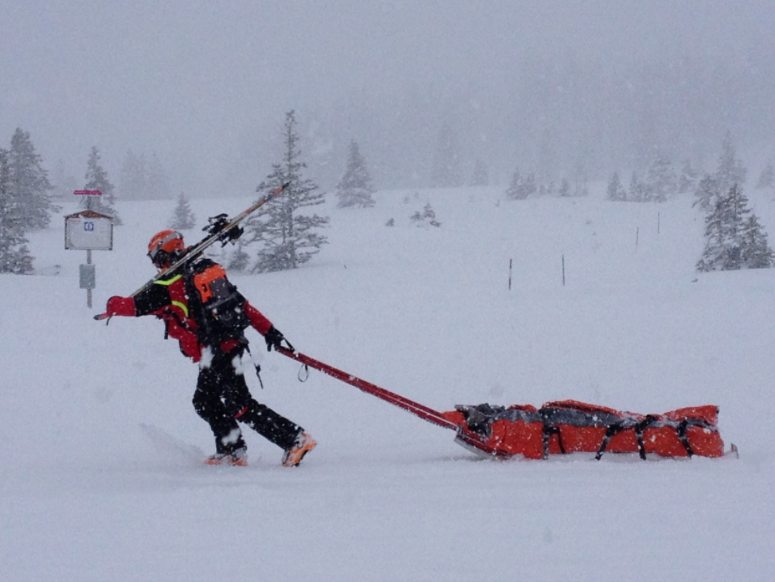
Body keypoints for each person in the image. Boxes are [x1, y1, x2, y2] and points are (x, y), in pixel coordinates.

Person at [102, 229, 316, 467]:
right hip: (222, 348)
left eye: (156, 259)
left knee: (240, 405)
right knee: (205, 401)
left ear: (164, 254)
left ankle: (295, 439)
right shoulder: (204, 273)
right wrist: (269, 331)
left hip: (219, 351)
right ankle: (232, 450)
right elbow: (242, 305)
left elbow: (131, 307)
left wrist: (111, 304)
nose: (156, 266)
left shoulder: (167, 285)